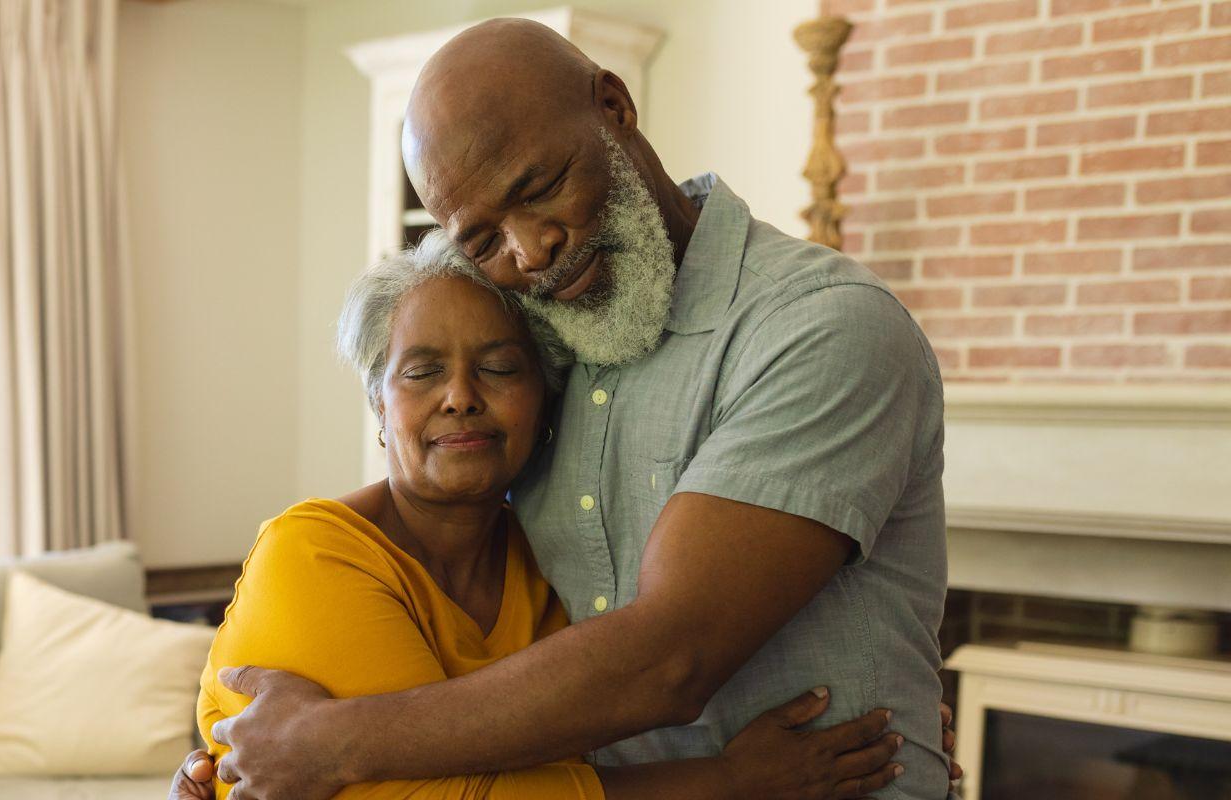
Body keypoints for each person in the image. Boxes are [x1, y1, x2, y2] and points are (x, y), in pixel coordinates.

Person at [184, 17, 957, 800]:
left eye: (538, 187)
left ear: (615, 108)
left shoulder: (818, 327)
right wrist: (222, 761)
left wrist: (329, 743)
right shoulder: (550, 339)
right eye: (482, 238)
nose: (529, 250)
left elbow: (671, 658)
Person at [184, 237, 903, 799]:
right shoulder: (311, 554)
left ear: (544, 400)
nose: (461, 396)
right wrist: (732, 784)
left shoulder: (554, 560)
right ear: (380, 404)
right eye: (423, 371)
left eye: (499, 367)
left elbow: (591, 736)